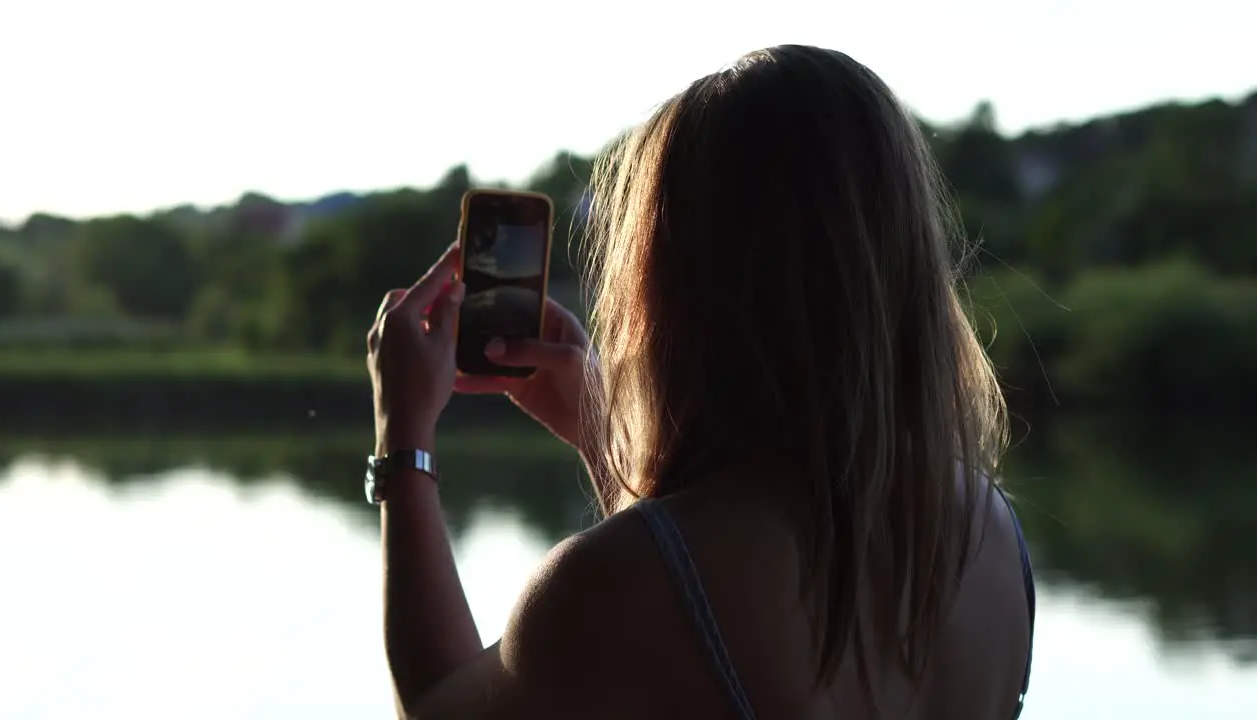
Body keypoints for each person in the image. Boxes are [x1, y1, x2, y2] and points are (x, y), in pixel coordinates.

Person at [364, 45, 1035, 719]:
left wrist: (404, 444)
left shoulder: (615, 586)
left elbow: (433, 709)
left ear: (671, 286)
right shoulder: (992, 534)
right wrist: (609, 444)